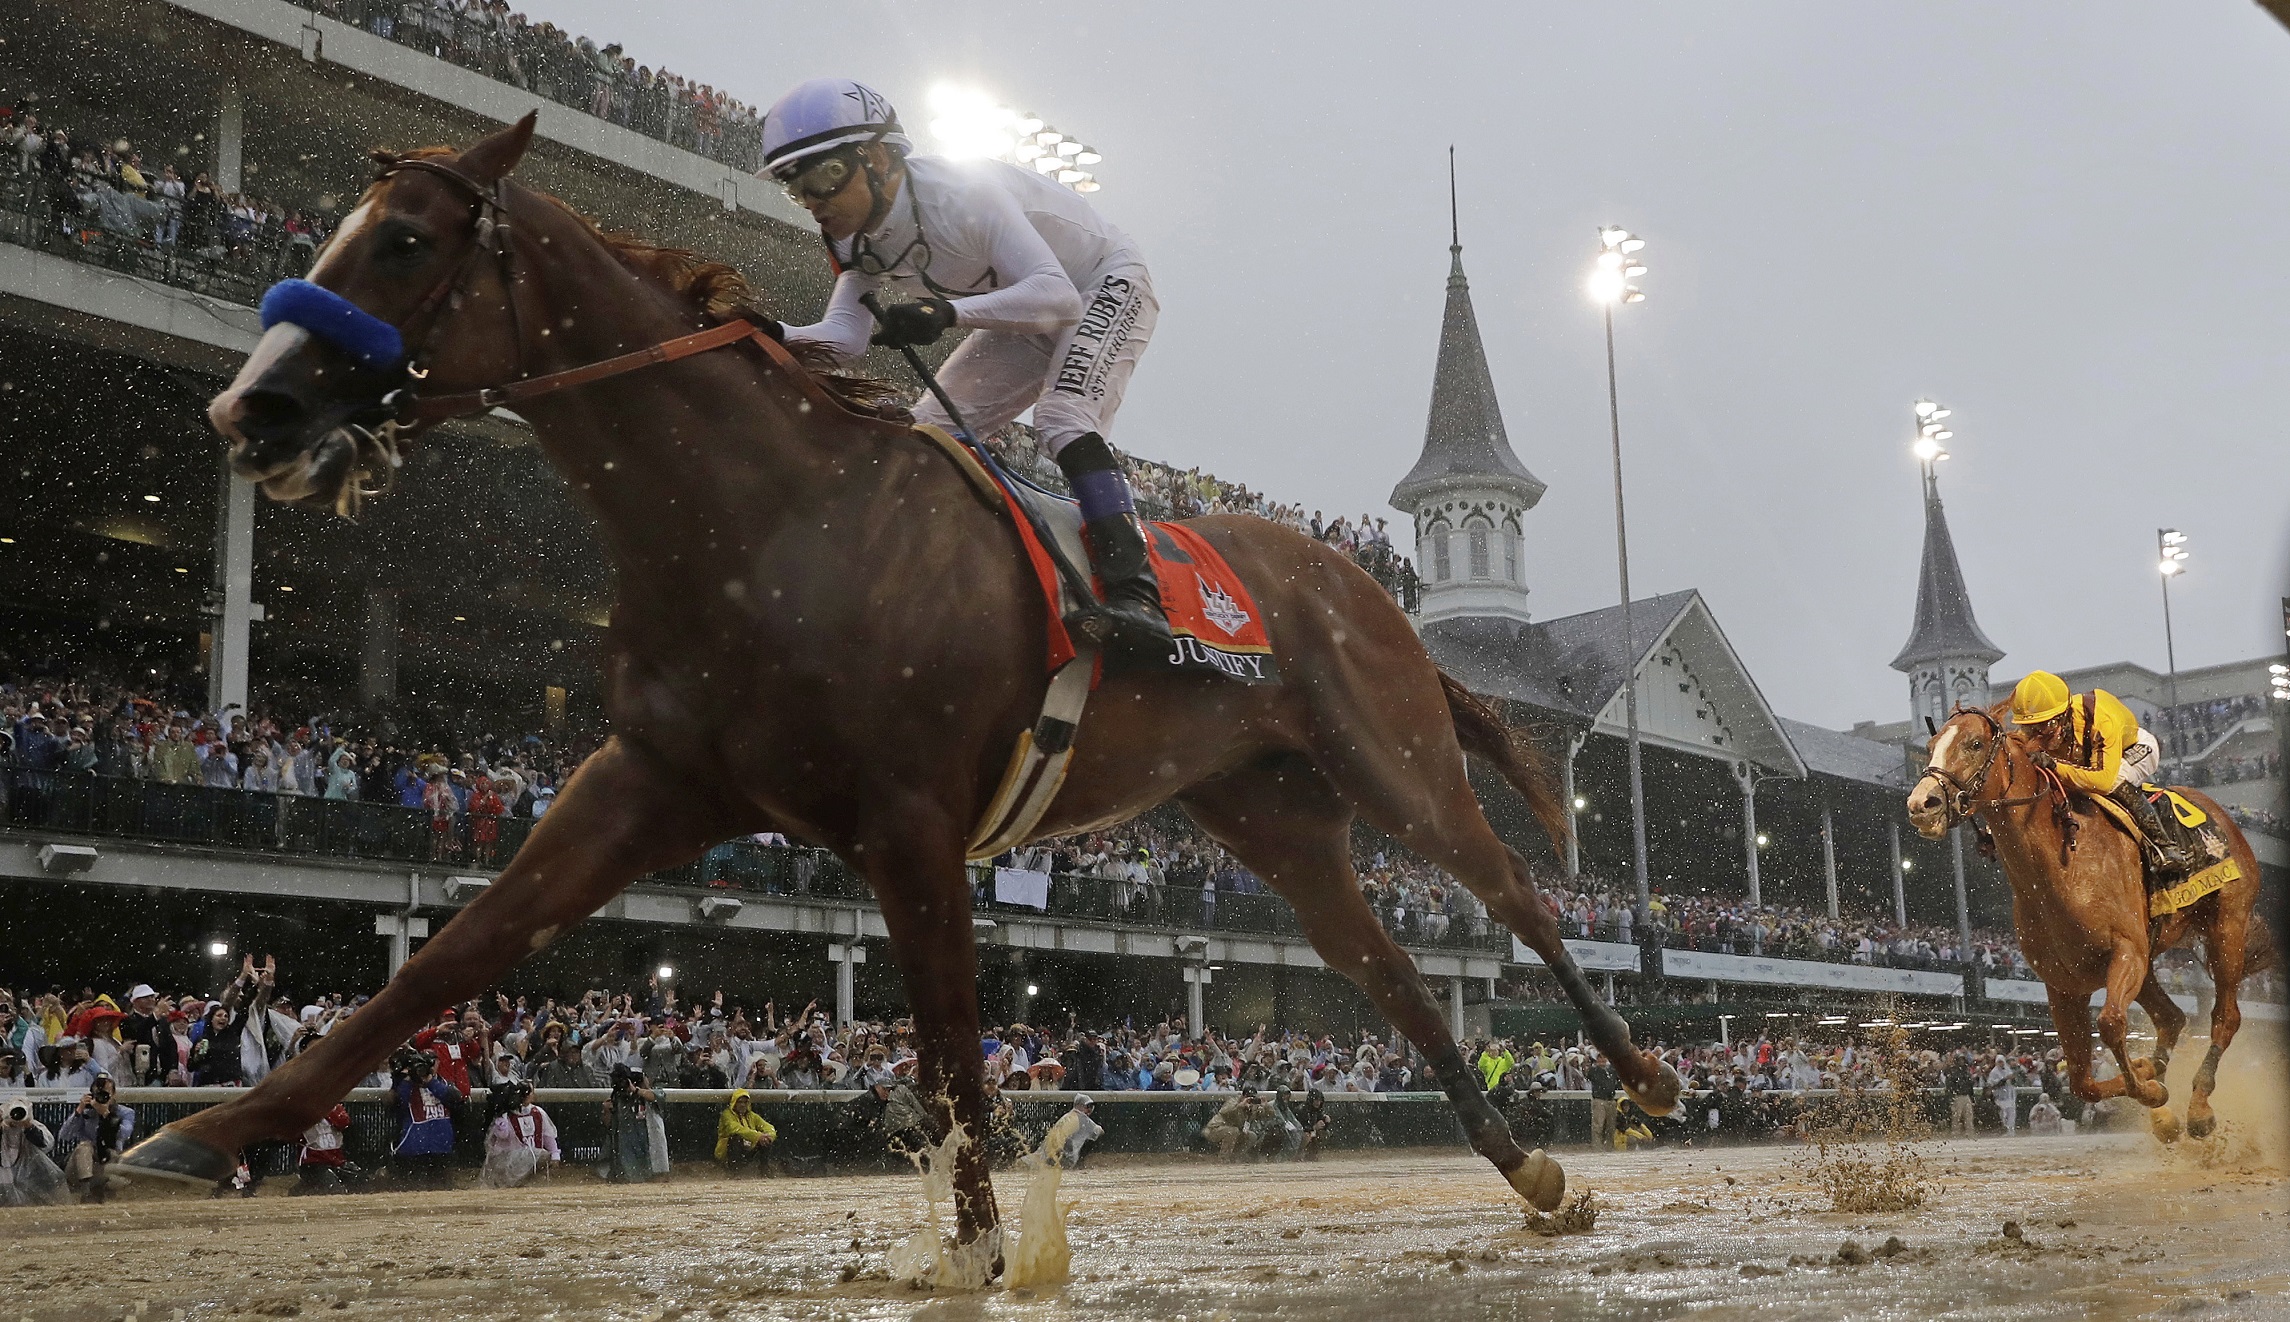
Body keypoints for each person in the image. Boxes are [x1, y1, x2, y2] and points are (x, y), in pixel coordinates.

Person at [759, 77, 1171, 652]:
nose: (812, 201)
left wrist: (944, 312)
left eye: (823, 177)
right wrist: (768, 334)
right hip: (1026, 303)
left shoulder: (962, 193)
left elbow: (1058, 298)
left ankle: (1139, 595)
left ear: (877, 158)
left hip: (1101, 280)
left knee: (1064, 417)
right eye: (794, 186)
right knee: (930, 436)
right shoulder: (853, 242)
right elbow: (843, 339)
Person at [2008, 672, 2198, 875]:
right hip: (2086, 759)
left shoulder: (2100, 719)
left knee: (2115, 780)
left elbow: (2103, 781)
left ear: (2064, 714)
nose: (2040, 734)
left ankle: (2165, 847)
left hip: (2133, 749)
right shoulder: (2042, 728)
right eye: (2030, 728)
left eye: (2047, 725)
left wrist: (2055, 766)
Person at [54, 1073, 133, 1202]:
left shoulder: (125, 1113)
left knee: (112, 1157)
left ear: (113, 1095)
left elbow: (125, 1134)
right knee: (85, 1146)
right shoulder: (86, 1111)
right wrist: (79, 1110)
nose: (102, 1097)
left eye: (106, 1094)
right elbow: (64, 1135)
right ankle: (86, 1192)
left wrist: (107, 1115)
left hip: (107, 1165)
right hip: (80, 1168)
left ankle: (97, 1189)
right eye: (99, 1093)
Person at [391, 1049, 460, 1188]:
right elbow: (398, 1104)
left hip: (441, 1147)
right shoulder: (406, 1085)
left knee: (442, 1189)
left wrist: (430, 1081)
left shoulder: (444, 1083)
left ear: (438, 1063)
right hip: (414, 1148)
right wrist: (409, 1078)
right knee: (413, 1189)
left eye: (431, 1061)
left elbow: (455, 1099)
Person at [481, 1081, 560, 1187]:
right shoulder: (507, 1116)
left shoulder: (538, 1113)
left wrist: (555, 1154)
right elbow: (502, 1137)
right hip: (508, 1163)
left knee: (543, 1157)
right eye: (531, 1092)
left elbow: (547, 1136)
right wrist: (500, 1122)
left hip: (530, 1162)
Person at [0, 1095, 68, 1207]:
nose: (17, 1115)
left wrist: (28, 1126)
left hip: (29, 1178)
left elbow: (47, 1144)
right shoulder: (3, 1127)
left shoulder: (34, 1126)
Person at [294, 1102, 355, 1194]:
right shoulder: (300, 1109)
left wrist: (326, 1107)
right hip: (313, 1163)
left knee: (360, 1181)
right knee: (335, 1190)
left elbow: (344, 1122)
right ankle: (303, 1188)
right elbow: (293, 1131)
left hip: (336, 1161)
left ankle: (303, 1187)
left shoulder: (334, 1105)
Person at [715, 1088, 777, 1174]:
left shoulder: (752, 1116)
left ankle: (764, 1169)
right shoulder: (727, 1115)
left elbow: (768, 1127)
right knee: (735, 1138)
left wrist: (769, 1136)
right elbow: (737, 1129)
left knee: (766, 1141)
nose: (743, 1105)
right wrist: (758, 1136)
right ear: (734, 1103)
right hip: (727, 1152)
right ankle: (732, 1170)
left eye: (745, 1102)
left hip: (747, 1148)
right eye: (740, 1102)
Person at [1058, 1093, 1103, 1168]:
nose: (1089, 1110)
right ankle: (1077, 1163)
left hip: (1059, 1150)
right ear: (1079, 1106)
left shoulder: (1068, 1115)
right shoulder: (1081, 1117)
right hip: (1065, 1151)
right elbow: (1099, 1131)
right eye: (1087, 1107)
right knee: (1092, 1138)